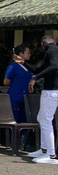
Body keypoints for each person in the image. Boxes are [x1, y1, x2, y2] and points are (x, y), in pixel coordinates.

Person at [15, 35, 58, 164]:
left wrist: (35, 78)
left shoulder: (52, 50)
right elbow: (38, 69)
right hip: (52, 91)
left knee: (45, 120)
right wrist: (24, 63)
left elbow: (55, 66)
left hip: (52, 91)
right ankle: (44, 149)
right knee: (42, 118)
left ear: (42, 45)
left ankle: (51, 154)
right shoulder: (51, 52)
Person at [5, 44, 32, 123]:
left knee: (25, 118)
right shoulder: (13, 67)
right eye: (28, 53)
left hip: (26, 97)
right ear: (21, 54)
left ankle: (23, 135)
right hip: (15, 96)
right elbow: (6, 81)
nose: (29, 54)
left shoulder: (28, 66)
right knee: (15, 118)